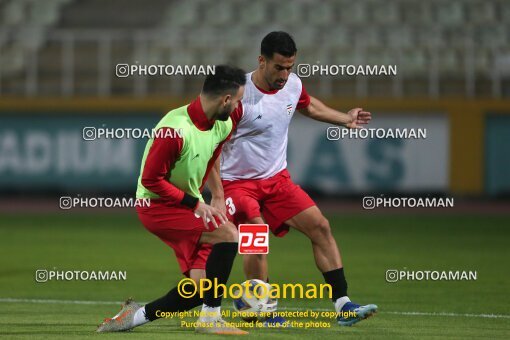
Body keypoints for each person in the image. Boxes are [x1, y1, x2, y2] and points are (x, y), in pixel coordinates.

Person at [207, 32, 377, 326]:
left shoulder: (293, 85)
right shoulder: (238, 96)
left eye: (290, 67)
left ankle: (343, 304)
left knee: (320, 226)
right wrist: (219, 196)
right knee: (256, 237)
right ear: (261, 61)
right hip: (238, 184)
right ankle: (260, 309)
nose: (285, 74)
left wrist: (345, 119)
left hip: (276, 180)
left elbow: (309, 106)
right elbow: (211, 148)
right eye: (278, 67)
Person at [97, 65, 248, 335]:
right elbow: (150, 180)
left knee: (201, 289)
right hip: (156, 207)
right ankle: (211, 319)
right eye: (238, 100)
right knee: (229, 234)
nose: (240, 105)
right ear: (225, 99)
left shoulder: (223, 123)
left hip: (188, 204)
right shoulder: (174, 130)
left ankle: (133, 317)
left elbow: (213, 154)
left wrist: (218, 195)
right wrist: (196, 204)